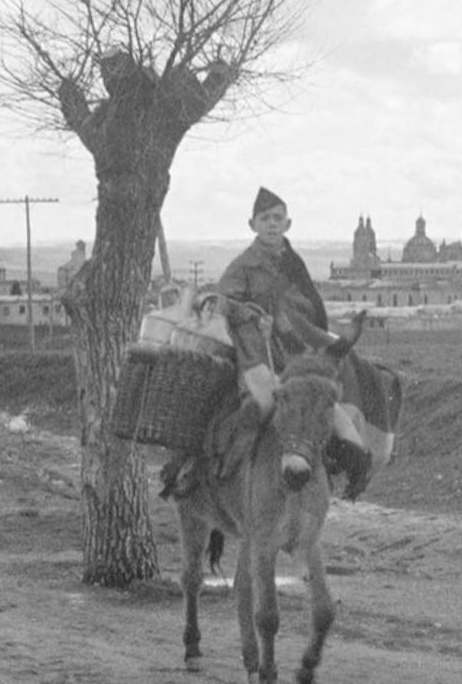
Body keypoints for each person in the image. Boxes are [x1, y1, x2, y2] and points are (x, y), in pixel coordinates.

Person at [160, 186, 375, 500]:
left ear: (288, 224)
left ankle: (338, 470)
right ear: (253, 225)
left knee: (327, 405)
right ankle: (220, 469)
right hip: (255, 352)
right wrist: (252, 314)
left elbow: (308, 308)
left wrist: (320, 338)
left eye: (278, 218)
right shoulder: (243, 266)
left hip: (293, 354)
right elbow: (223, 304)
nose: (272, 223)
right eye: (265, 218)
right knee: (261, 406)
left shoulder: (293, 263)